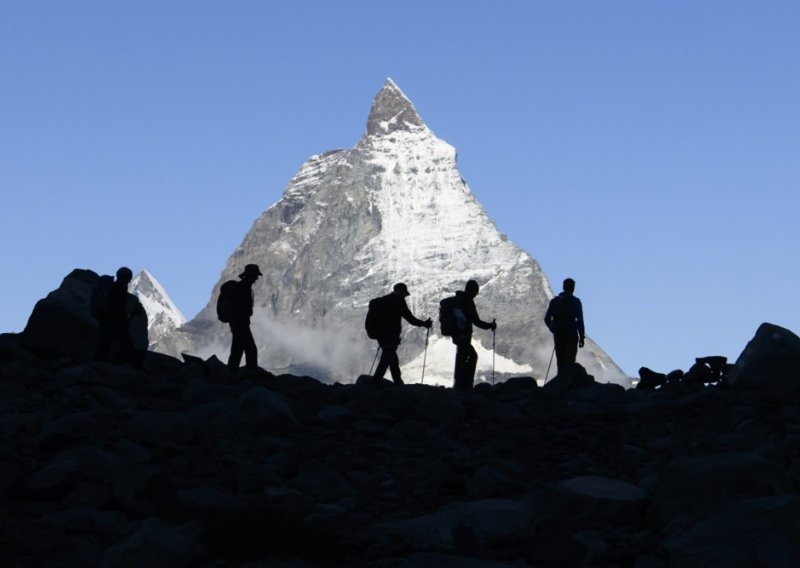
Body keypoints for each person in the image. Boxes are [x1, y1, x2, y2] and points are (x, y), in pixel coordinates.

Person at [371, 283, 432, 385]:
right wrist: (424, 324)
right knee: (387, 359)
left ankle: (397, 382)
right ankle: (376, 382)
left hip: (380, 334)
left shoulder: (384, 300)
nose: (405, 296)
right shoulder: (398, 301)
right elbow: (410, 318)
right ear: (400, 291)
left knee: (391, 358)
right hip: (391, 335)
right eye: (404, 294)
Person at [451, 280, 496, 391]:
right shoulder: (468, 301)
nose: (475, 295)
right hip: (464, 335)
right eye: (476, 293)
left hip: (456, 335)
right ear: (474, 291)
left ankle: (459, 383)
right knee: (471, 356)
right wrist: (490, 325)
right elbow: (476, 321)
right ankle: (466, 384)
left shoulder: (458, 299)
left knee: (462, 356)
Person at [95, 266, 144, 367]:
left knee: (106, 343)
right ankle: (135, 366)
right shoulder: (120, 289)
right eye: (129, 278)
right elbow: (119, 307)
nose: (130, 280)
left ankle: (99, 362)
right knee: (125, 344)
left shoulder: (114, 287)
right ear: (126, 278)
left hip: (107, 320)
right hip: (115, 322)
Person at [544, 277, 585, 375]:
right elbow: (580, 321)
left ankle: (560, 382)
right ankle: (569, 384)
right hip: (571, 334)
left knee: (560, 361)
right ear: (573, 288)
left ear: (563, 287)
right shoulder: (576, 302)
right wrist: (582, 337)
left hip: (559, 334)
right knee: (570, 360)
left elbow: (547, 319)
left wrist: (553, 328)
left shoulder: (555, 301)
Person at [228, 263, 262, 372]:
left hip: (238, 323)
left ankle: (231, 374)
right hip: (241, 324)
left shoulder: (242, 287)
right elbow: (243, 308)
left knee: (238, 350)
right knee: (250, 349)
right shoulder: (244, 289)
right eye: (255, 275)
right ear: (250, 275)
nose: (257, 278)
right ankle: (250, 375)